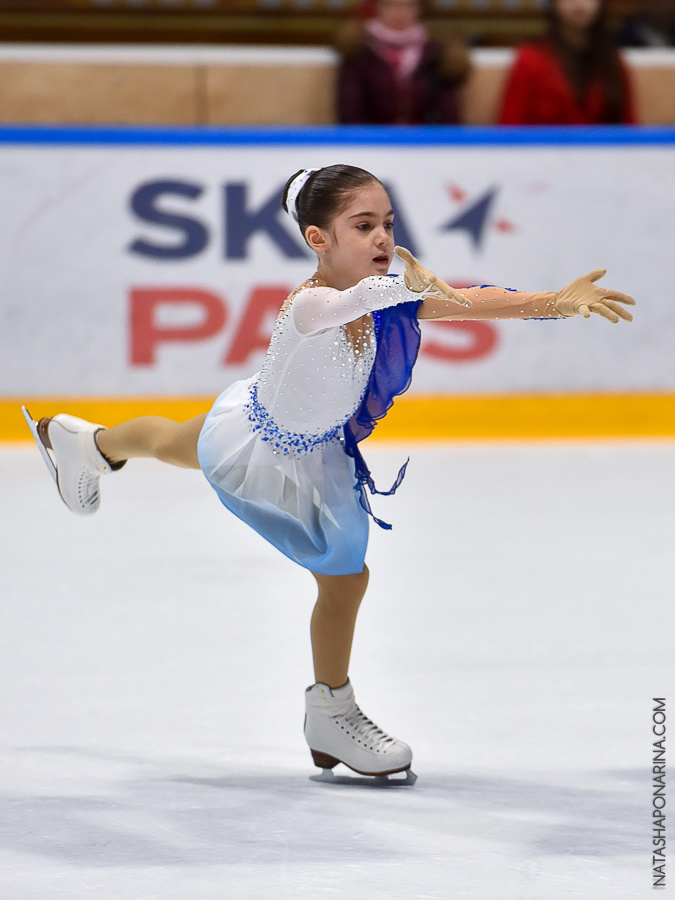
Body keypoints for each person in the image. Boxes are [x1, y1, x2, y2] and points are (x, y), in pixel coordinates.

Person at [23, 165, 635, 784]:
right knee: (326, 562)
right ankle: (331, 713)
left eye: (388, 225)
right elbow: (359, 299)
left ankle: (87, 444)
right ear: (319, 240)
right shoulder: (310, 303)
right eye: (363, 226)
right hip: (260, 446)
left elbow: (468, 300)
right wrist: (408, 287)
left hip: (316, 451)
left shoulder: (388, 293)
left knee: (180, 445)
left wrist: (555, 302)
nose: (382, 239)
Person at [497, 0, 636, 125]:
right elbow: (510, 128)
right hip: (543, 151)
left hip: (604, 152)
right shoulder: (530, 58)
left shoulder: (612, 59)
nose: (579, 4)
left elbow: (629, 128)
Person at [336, 0, 470, 124]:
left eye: (409, 6)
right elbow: (350, 112)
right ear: (378, 8)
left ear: (419, 9)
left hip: (423, 143)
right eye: (391, 5)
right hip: (372, 142)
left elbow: (448, 113)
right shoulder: (358, 50)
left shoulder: (435, 52)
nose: (400, 13)